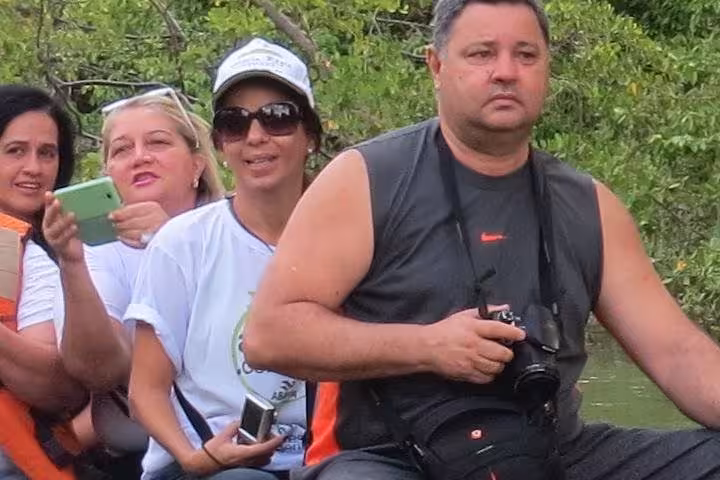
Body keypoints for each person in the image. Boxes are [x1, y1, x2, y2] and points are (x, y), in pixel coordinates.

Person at [245, 1, 720, 480]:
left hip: (551, 446)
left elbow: (678, 353)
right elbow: (269, 336)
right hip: (397, 454)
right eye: (482, 54)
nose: (506, 73)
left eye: (526, 55)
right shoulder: (365, 179)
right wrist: (427, 346)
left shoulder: (589, 204)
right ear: (436, 64)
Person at [125, 38, 322, 480]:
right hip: (202, 462)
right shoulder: (183, 243)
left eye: (278, 118)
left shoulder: (351, 235)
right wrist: (195, 457)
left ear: (310, 134)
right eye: (235, 123)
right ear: (218, 142)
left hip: (328, 457)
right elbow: (146, 389)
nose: (256, 137)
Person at [42, 88, 225, 477]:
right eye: (122, 150)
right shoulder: (96, 252)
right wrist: (71, 264)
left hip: (244, 434)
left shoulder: (235, 226)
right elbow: (98, 372)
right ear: (109, 174)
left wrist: (171, 240)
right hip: (139, 455)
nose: (140, 156)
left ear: (196, 165)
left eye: (157, 142)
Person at [0, 84, 87, 479]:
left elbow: (57, 385)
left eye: (47, 153)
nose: (33, 168)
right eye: (15, 151)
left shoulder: (41, 253)